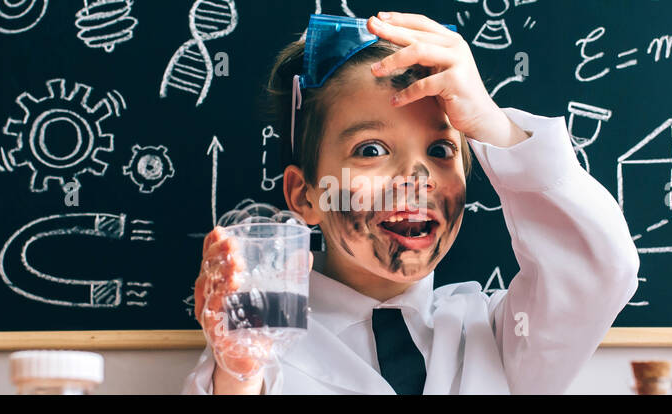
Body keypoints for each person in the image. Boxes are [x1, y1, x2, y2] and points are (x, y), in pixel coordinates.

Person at [182, 12, 639, 394]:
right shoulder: (263, 337)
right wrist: (239, 370)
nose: (415, 180)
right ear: (306, 195)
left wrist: (494, 126)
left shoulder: (497, 333)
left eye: (441, 151)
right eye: (371, 150)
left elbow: (601, 268)